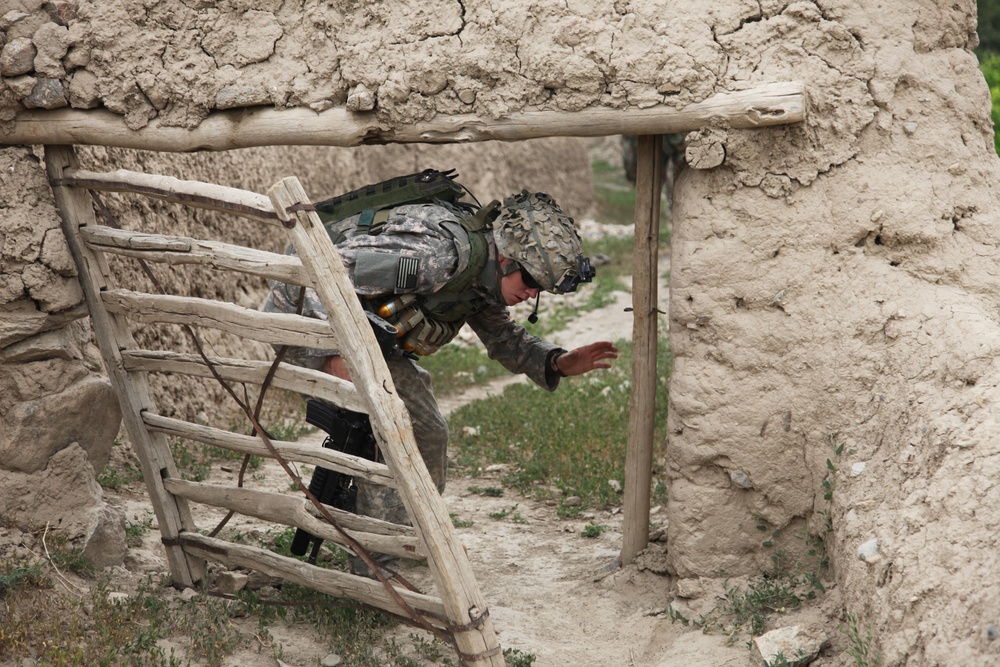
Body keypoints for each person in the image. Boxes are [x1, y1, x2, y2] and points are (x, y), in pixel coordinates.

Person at [262, 185, 618, 570]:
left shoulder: (481, 279)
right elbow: (326, 270)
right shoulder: (437, 256)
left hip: (364, 336)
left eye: (540, 290)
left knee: (428, 430)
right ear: (507, 259)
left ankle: (411, 533)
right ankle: (374, 559)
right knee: (380, 435)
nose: (530, 293)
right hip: (305, 317)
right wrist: (331, 351)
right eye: (530, 281)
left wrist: (556, 361)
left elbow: (502, 337)